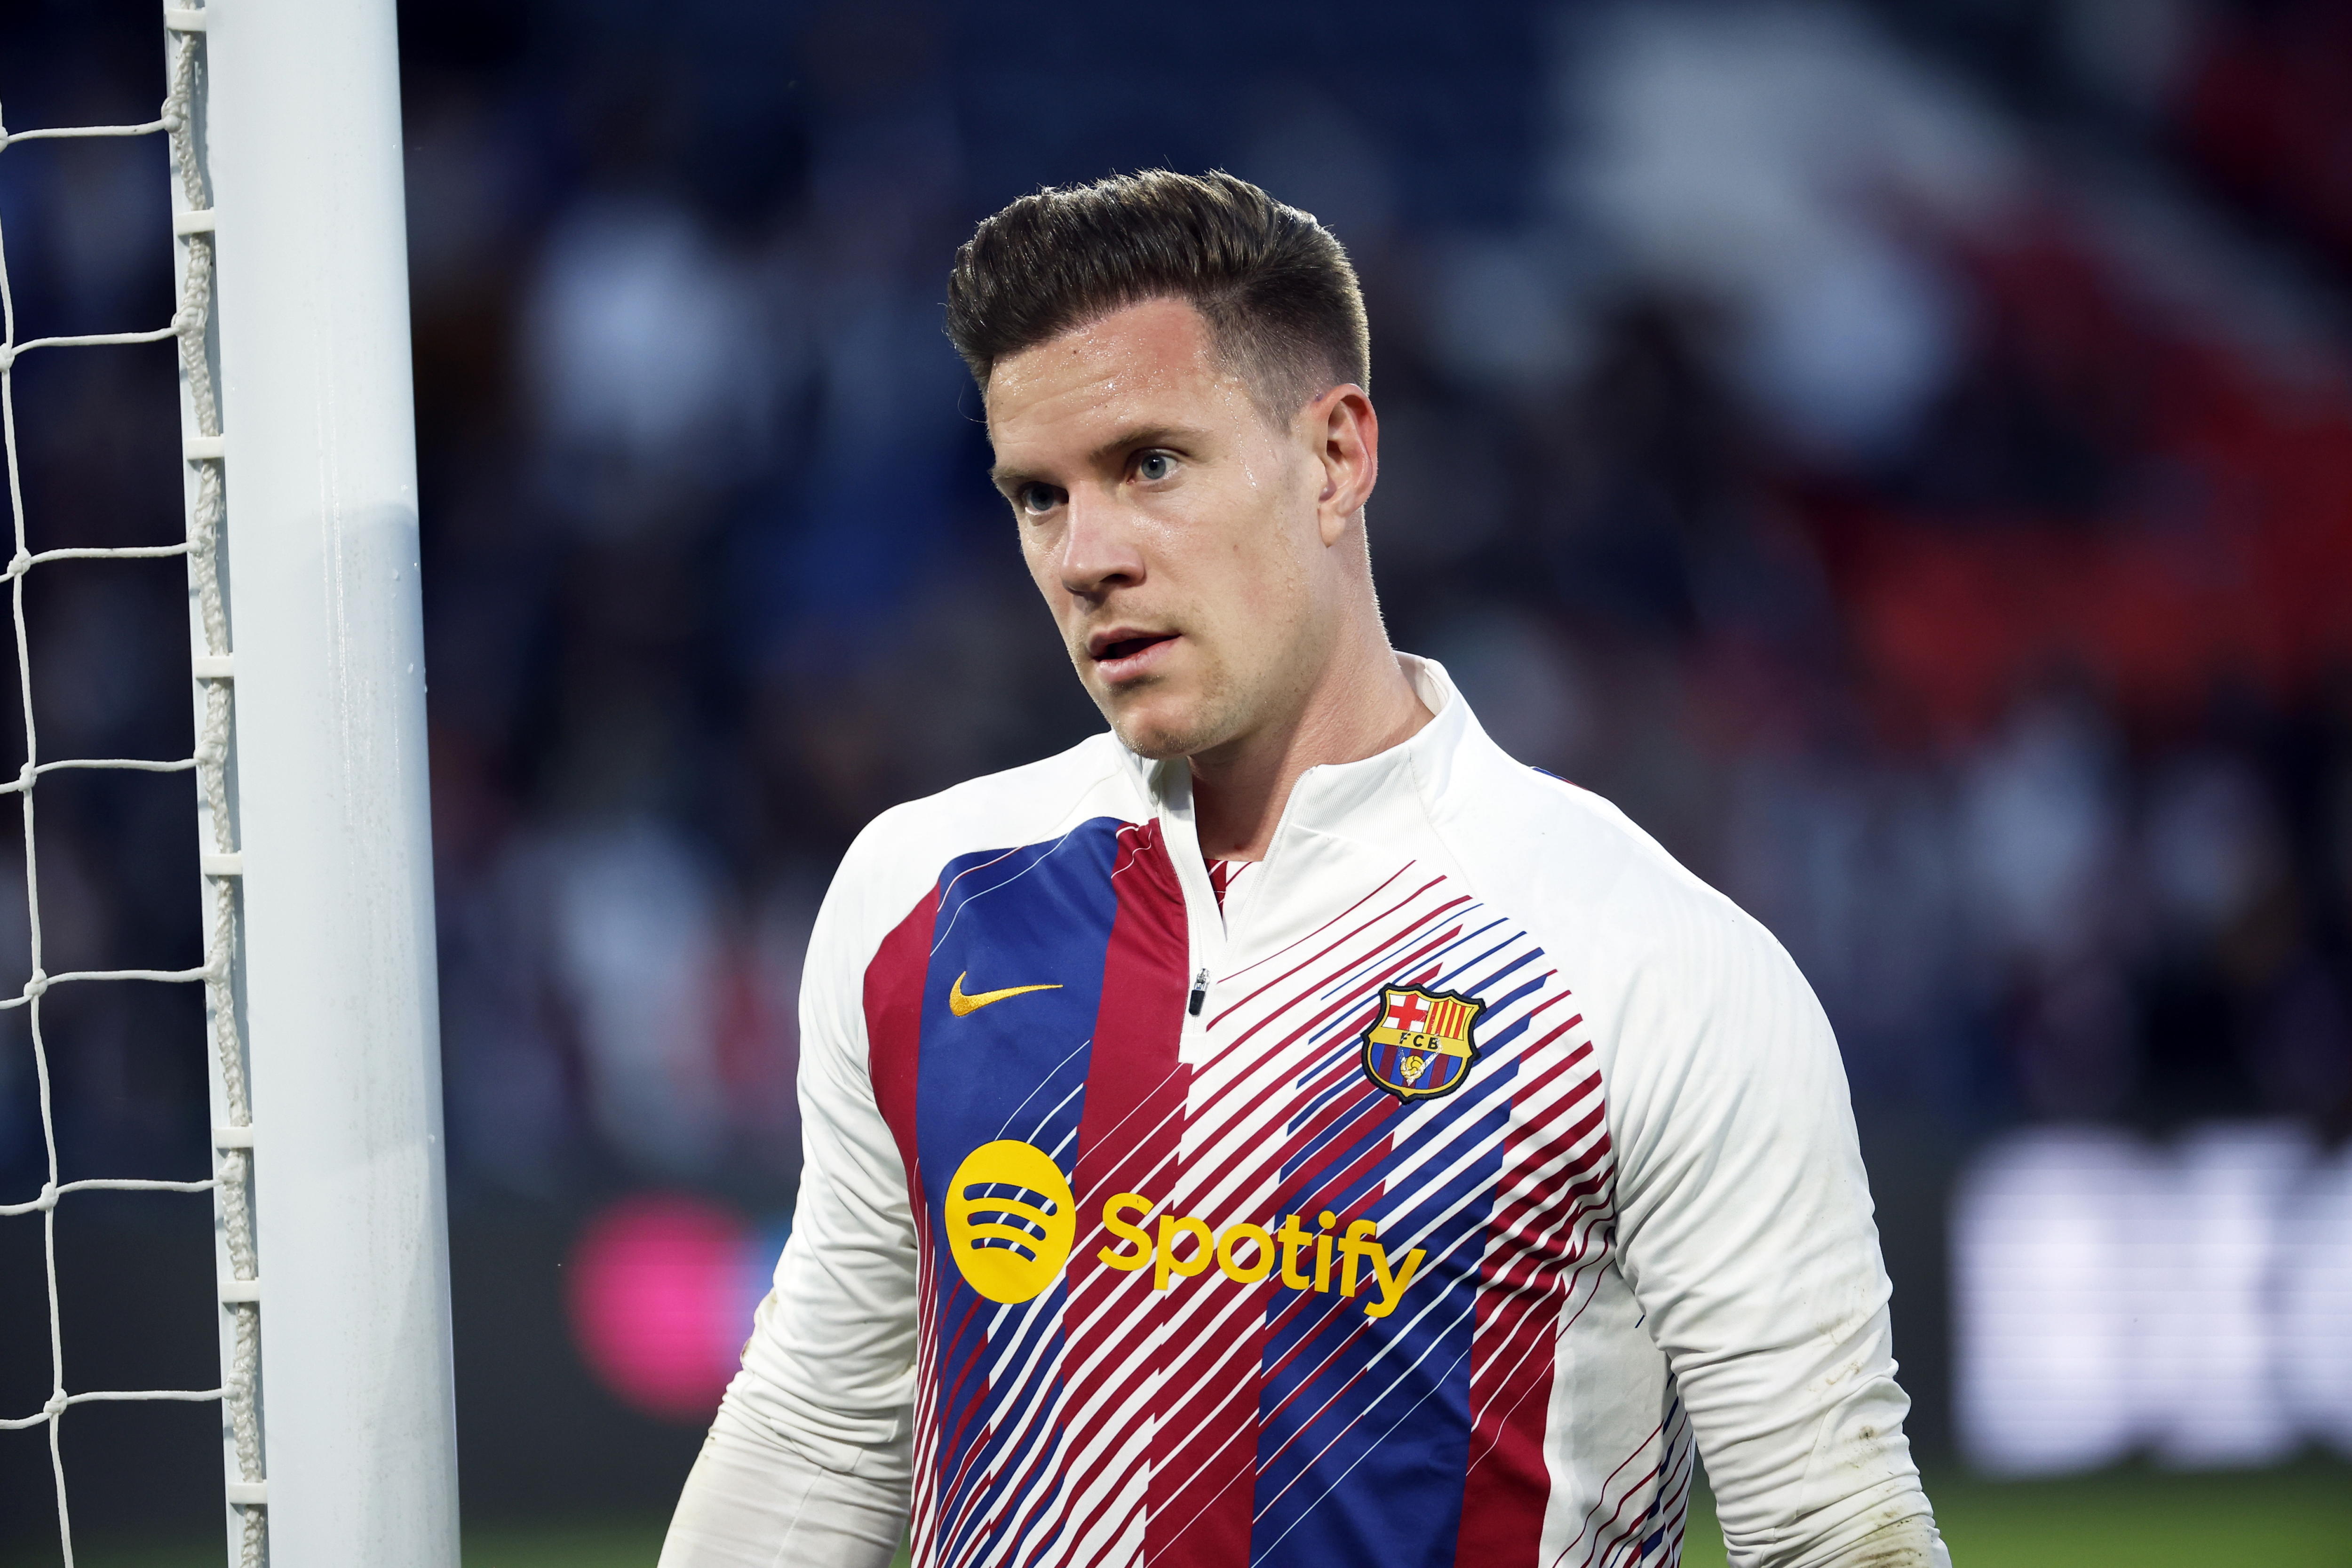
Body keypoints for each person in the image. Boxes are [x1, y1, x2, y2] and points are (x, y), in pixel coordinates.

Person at [661, 170, 1947, 1568]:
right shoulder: (921, 897)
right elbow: (824, 1432)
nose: (1088, 557)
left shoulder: (1642, 962)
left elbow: (1828, 1529)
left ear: (1336, 457)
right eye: (1040, 496)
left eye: (1151, 463)